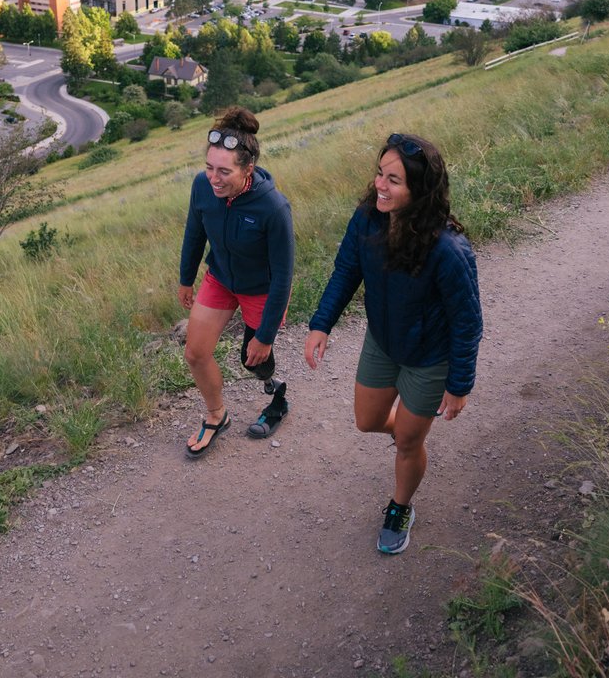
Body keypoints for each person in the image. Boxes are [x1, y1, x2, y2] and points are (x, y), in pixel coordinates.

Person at [305, 132, 482, 554]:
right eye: (380, 174)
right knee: (367, 420)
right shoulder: (367, 218)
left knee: (406, 443)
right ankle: (408, 435)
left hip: (428, 359)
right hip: (383, 342)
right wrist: (320, 324)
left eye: (394, 180)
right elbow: (347, 271)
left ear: (418, 191)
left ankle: (400, 505)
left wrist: (459, 385)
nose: (380, 186)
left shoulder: (448, 249)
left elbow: (467, 323)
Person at [179, 106, 295, 458]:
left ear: (248, 170)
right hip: (221, 279)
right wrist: (186, 279)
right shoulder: (203, 187)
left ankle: (272, 388)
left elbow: (284, 276)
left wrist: (266, 335)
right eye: (209, 168)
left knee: (254, 358)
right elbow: (194, 233)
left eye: (224, 171)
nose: (214, 178)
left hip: (261, 287)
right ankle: (217, 416)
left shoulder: (273, 208)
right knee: (195, 353)